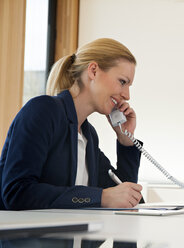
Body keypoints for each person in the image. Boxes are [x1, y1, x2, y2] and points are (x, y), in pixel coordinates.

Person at [0, 38, 144, 210]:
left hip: (71, 236)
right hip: (30, 236)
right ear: (93, 71)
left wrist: (126, 139)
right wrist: (101, 196)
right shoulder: (43, 111)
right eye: (122, 81)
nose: (127, 95)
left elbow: (125, 197)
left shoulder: (88, 135)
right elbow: (16, 192)